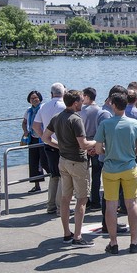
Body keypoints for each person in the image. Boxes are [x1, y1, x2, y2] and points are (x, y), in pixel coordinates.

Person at [42, 89, 95, 247]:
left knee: (65, 198)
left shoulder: (57, 117)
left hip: (63, 160)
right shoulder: (75, 119)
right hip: (77, 162)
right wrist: (98, 142)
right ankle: (78, 237)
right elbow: (84, 144)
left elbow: (45, 137)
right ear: (75, 103)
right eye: (81, 100)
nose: (83, 102)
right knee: (82, 199)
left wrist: (60, 146)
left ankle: (66, 233)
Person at [94, 92, 137, 255]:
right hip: (129, 167)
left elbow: (97, 148)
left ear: (113, 105)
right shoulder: (135, 123)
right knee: (132, 204)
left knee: (111, 205)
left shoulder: (105, 124)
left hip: (110, 168)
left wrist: (108, 152)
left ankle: (113, 242)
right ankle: (134, 241)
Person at [33, 83, 66, 215]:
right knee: (63, 176)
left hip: (48, 145)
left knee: (54, 176)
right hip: (63, 145)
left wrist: (44, 137)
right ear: (64, 93)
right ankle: (60, 207)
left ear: (51, 93)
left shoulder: (43, 107)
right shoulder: (65, 107)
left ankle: (51, 205)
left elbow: (35, 126)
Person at [80, 87, 103, 211]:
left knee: (84, 175)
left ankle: (86, 200)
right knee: (96, 174)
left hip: (84, 143)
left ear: (87, 97)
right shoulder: (100, 111)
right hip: (96, 143)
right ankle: (95, 201)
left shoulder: (82, 111)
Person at [21, 89, 45, 193]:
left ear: (40, 98)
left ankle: (55, 179)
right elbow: (24, 122)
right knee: (33, 162)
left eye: (36, 98)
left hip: (43, 138)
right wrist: (25, 131)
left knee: (45, 161)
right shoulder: (28, 111)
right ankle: (36, 185)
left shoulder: (43, 109)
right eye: (32, 98)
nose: (34, 100)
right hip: (33, 138)